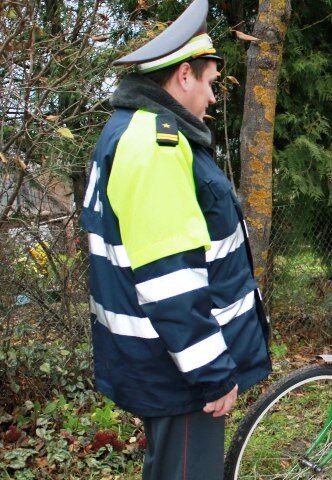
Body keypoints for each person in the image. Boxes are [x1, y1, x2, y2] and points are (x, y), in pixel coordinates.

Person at [80, 1, 271, 478]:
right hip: (179, 370)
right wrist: (212, 374)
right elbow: (170, 279)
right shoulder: (156, 146)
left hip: (161, 360)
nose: (211, 98)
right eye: (208, 83)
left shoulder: (132, 130)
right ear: (184, 75)